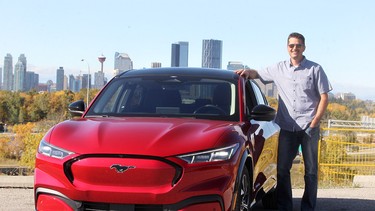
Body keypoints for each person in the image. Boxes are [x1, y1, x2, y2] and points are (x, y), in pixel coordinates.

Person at [236, 32, 332, 211]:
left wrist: (315, 121)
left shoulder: (315, 69)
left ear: (304, 47)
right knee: (282, 170)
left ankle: (308, 207)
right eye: (291, 45)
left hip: (308, 127)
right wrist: (248, 72)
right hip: (286, 127)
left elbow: (325, 97)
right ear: (287, 47)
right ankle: (285, 207)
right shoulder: (278, 68)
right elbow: (258, 73)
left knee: (310, 172)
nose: (294, 48)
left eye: (298, 45)